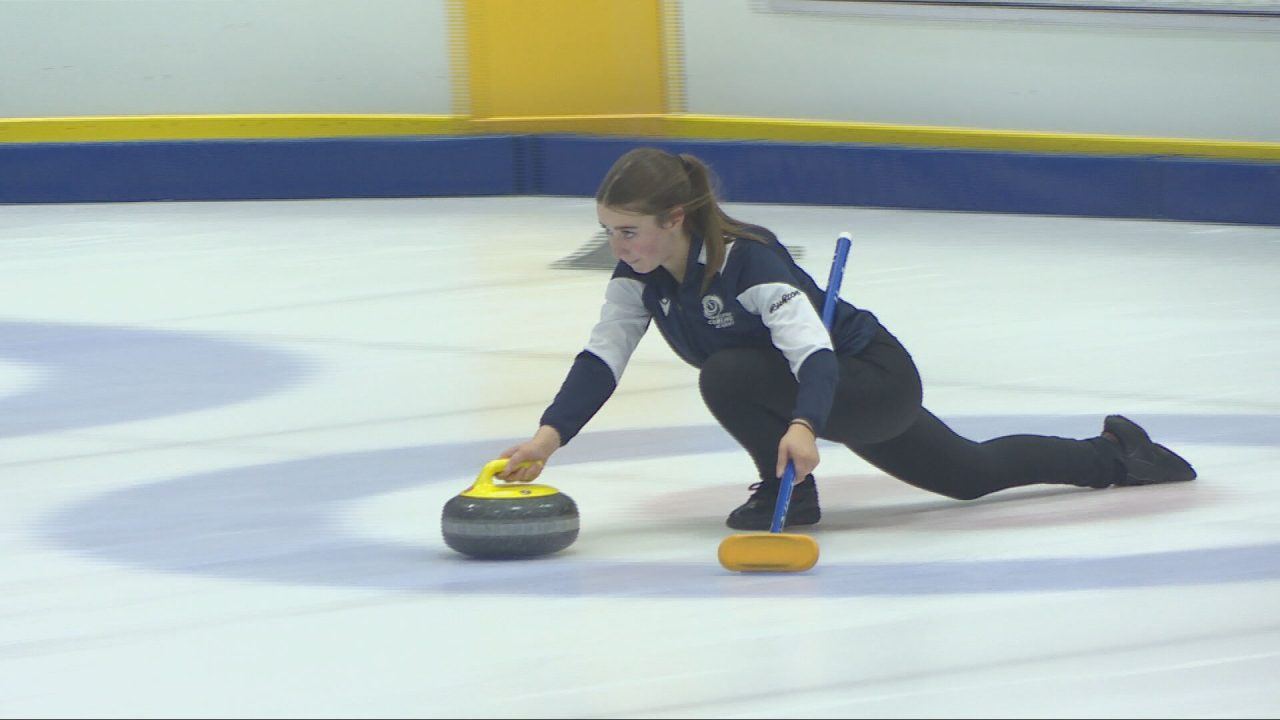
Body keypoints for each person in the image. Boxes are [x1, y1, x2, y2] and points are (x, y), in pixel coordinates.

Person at [497, 147, 1197, 530]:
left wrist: (803, 425)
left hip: (869, 380)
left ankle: (790, 495)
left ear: (674, 218)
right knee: (967, 475)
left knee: (729, 373)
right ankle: (1116, 455)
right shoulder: (639, 278)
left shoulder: (750, 262)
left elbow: (815, 354)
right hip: (820, 393)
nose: (617, 246)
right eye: (609, 231)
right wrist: (546, 438)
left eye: (628, 230)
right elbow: (601, 360)